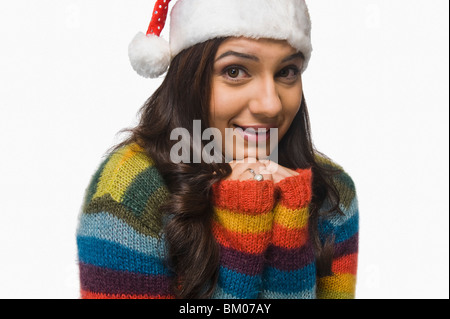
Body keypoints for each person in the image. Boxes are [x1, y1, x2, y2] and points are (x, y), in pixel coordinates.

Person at [76, 0, 359, 299]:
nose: (271, 104)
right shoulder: (128, 194)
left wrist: (290, 228)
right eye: (235, 71)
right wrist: (242, 221)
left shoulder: (332, 193)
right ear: (187, 79)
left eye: (287, 71)